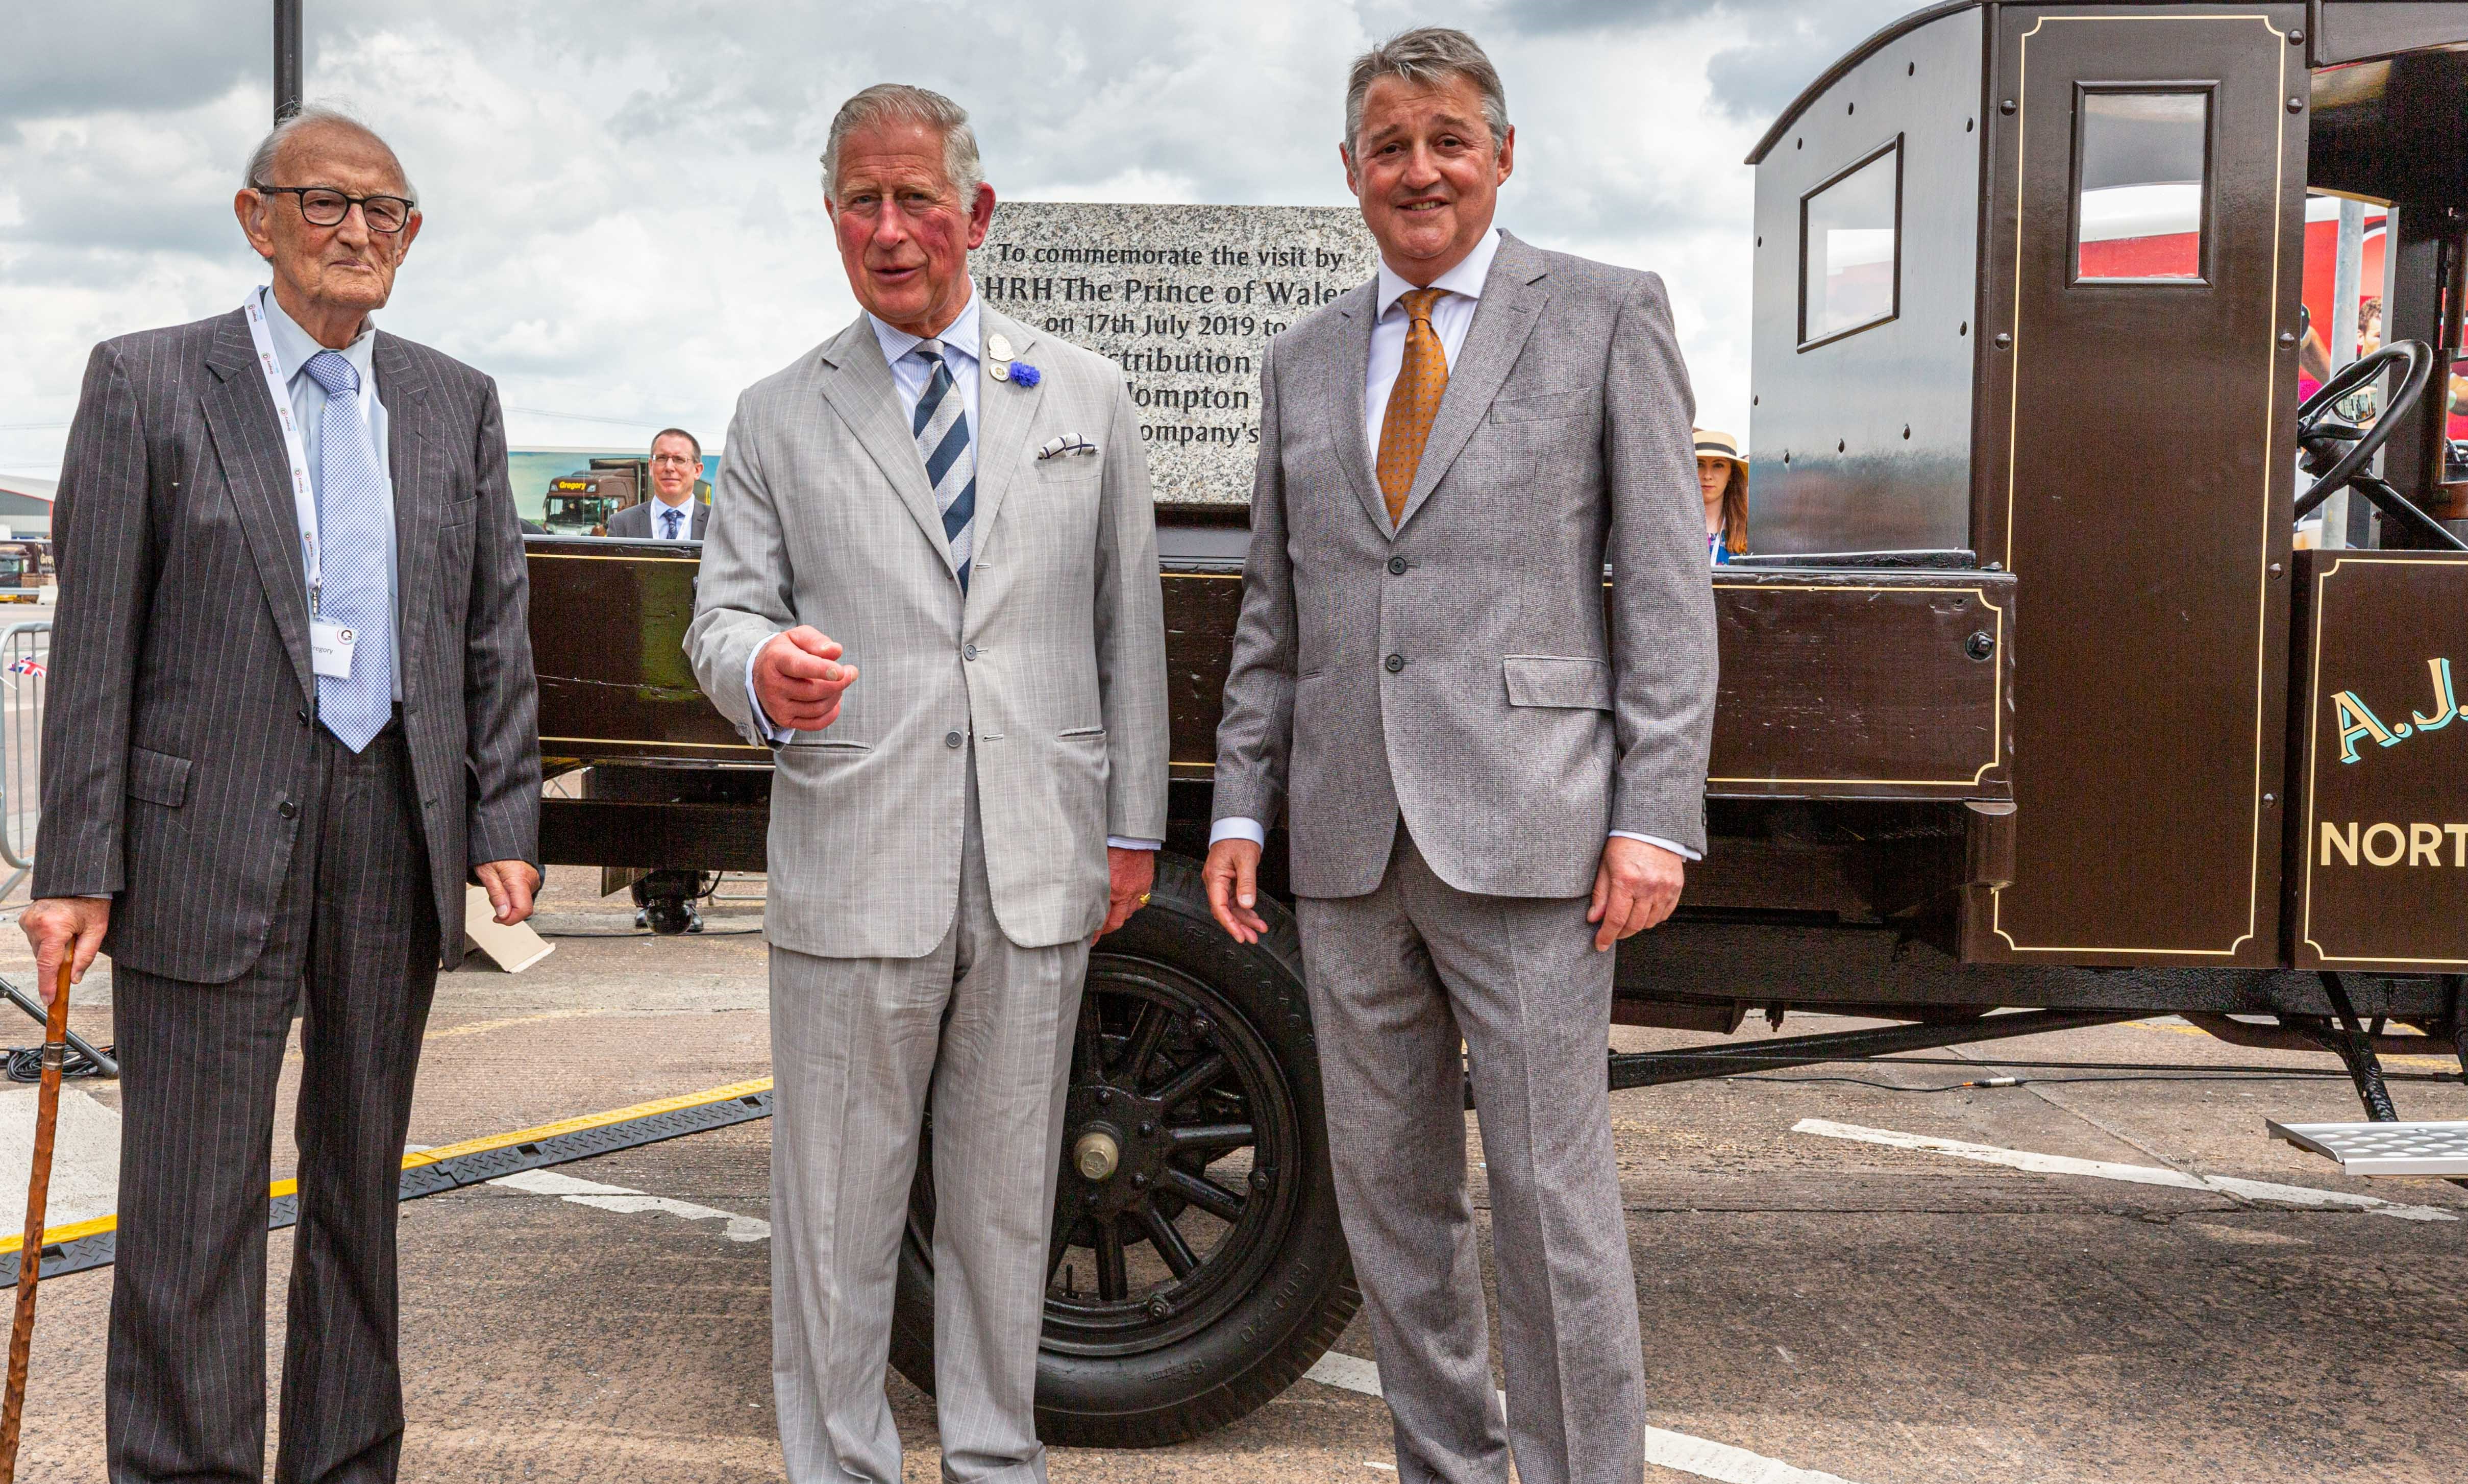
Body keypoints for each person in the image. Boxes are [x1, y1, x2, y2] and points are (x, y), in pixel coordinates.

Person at [1202, 27, 1716, 1484]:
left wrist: (1652, 815)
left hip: (1534, 832)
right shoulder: (1302, 356)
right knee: (1388, 1203)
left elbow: (1665, 588)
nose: (1417, 170)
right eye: (1389, 146)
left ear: (1501, 155)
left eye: (1446, 141)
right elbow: (1275, 610)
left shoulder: (1605, 313)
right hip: (1345, 840)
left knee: (1553, 1204)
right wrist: (1241, 805)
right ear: (1349, 169)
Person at [21, 105, 540, 1481]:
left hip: (390, 828)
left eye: (388, 212)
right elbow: (95, 640)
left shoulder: (453, 400)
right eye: (326, 202)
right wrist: (73, 864)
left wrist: (502, 820)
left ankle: (344, 1461)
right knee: (189, 1208)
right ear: (257, 219)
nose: (360, 232)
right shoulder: (147, 382)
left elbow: (492, 628)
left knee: (361, 1193)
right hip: (199, 837)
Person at [682, 83, 1169, 1483]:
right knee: (835, 1213)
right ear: (830, 213)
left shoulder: (1082, 393)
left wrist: (1130, 826)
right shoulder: (777, 414)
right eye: (860, 202)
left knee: (1007, 1204)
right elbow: (721, 617)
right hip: (856, 853)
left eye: (915, 199)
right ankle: (838, 1465)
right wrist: (762, 668)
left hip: (1036, 861)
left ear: (977, 211)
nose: (889, 230)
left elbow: (1125, 625)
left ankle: (993, 1458)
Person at [606, 426, 710, 539]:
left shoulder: (718, 523)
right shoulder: (622, 524)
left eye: (679, 460)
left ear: (697, 471)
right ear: (651, 466)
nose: (669, 467)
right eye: (662, 458)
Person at [1696, 427, 1748, 563]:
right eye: (1699, 464)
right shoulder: (1668, 525)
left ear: (1731, 473)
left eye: (1718, 465)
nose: (1708, 475)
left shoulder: (1751, 532)